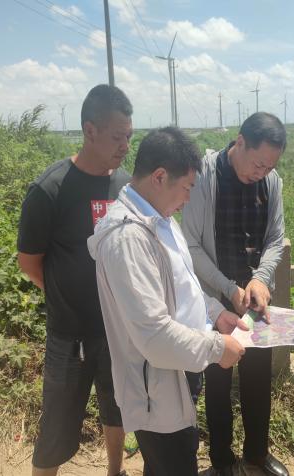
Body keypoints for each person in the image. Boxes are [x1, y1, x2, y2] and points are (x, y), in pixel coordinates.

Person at [87, 127, 247, 476]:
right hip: (156, 388)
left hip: (180, 367)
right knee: (173, 462)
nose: (188, 198)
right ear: (159, 177)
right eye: (187, 187)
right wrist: (217, 347)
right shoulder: (128, 239)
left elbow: (182, 285)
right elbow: (155, 335)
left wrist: (216, 313)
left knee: (170, 461)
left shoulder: (161, 219)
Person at [17, 84, 133, 476]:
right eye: (117, 137)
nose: (125, 146)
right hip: (69, 335)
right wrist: (66, 295)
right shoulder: (50, 189)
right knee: (58, 422)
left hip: (117, 329)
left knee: (117, 407)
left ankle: (115, 470)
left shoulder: (125, 186)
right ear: (89, 131)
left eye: (129, 137)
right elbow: (29, 262)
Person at [181, 112, 289, 476]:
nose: (262, 172)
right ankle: (221, 460)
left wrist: (260, 279)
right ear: (240, 142)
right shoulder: (204, 177)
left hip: (257, 299)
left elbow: (275, 239)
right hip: (216, 298)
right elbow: (191, 245)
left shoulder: (271, 182)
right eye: (258, 164)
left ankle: (257, 454)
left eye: (270, 166)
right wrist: (229, 287)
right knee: (217, 382)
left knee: (259, 379)